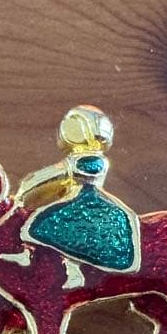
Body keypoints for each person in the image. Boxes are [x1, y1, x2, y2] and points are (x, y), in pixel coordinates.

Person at [15, 105, 139, 274]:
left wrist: (25, 189)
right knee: (73, 242)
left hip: (83, 203)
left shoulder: (83, 161)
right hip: (93, 204)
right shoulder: (97, 159)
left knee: (38, 223)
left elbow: (52, 175)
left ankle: (26, 255)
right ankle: (73, 273)